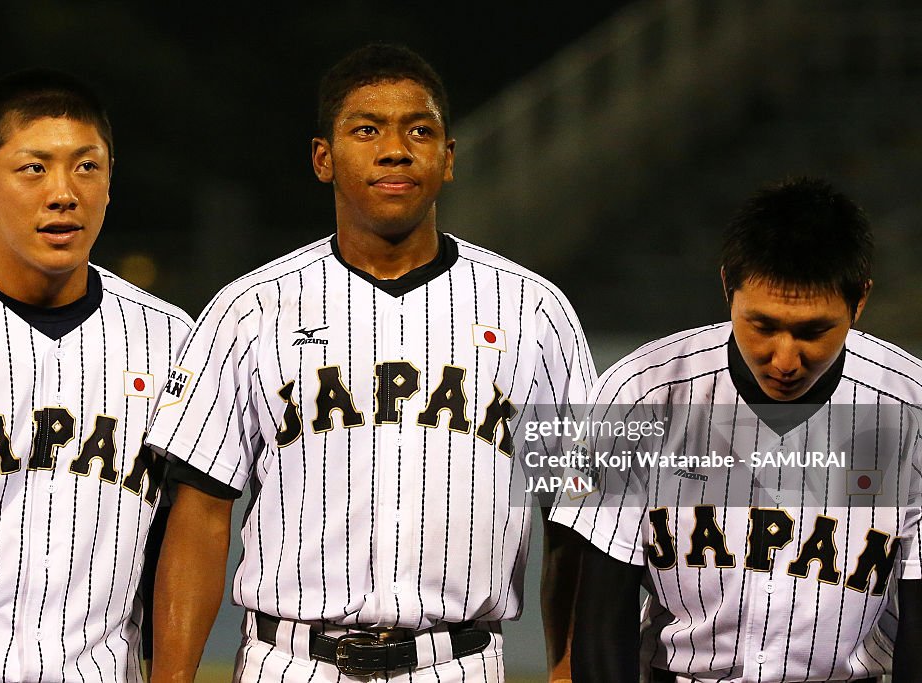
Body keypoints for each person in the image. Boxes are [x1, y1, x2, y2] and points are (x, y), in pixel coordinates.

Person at [146, 42, 594, 682]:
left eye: (420, 130)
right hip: (291, 662)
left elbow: (580, 514)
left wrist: (569, 671)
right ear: (323, 159)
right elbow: (201, 513)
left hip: (459, 662)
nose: (395, 149)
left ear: (449, 160)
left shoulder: (536, 309)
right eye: (366, 130)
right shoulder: (249, 308)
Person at [551, 176, 922, 682]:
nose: (785, 359)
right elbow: (601, 615)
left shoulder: (911, 408)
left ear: (859, 302)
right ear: (728, 286)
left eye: (813, 331)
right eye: (763, 326)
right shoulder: (640, 392)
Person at [0, 69, 193, 682]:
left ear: (110, 182)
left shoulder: (171, 341)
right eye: (33, 168)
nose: (64, 192)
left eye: (87, 167)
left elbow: (183, 542)